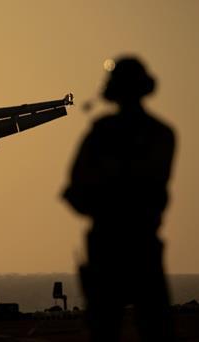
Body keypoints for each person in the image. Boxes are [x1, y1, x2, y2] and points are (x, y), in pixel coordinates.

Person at [63, 56, 176, 341]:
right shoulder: (163, 134)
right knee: (156, 329)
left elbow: (74, 191)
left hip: (106, 247)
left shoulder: (100, 133)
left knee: (103, 330)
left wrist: (103, 204)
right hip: (144, 245)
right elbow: (158, 191)